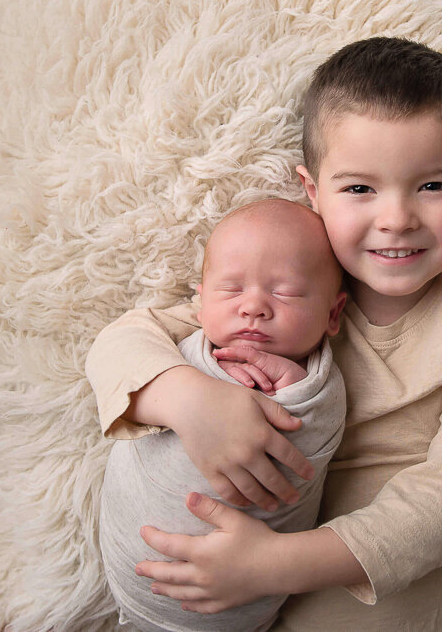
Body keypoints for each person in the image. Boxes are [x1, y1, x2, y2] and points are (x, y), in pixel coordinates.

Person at [86, 36, 442, 631]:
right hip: (249, 597)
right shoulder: (283, 287)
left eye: (432, 186)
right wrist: (190, 399)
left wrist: (275, 564)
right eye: (359, 189)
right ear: (312, 191)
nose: (396, 218)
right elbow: (122, 339)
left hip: (401, 603)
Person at [98, 199, 348, 632]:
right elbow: (118, 352)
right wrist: (196, 392)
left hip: (235, 603)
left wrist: (293, 388)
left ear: (333, 314)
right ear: (200, 302)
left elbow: (315, 440)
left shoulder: (321, 386)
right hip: (125, 577)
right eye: (232, 290)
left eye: (284, 291)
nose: (253, 307)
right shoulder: (179, 339)